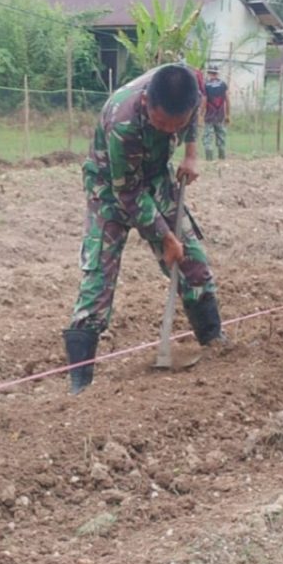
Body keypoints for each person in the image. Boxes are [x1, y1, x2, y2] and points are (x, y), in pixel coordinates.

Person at [63, 63, 226, 395]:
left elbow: (197, 113)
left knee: (192, 258)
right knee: (99, 276)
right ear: (148, 103)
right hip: (111, 187)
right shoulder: (123, 123)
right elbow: (129, 194)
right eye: (161, 123)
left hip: (155, 177)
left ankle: (214, 341)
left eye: (175, 126)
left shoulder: (191, 87)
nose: (168, 131)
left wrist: (191, 154)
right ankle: (80, 384)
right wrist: (165, 237)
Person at [202, 65, 229, 160]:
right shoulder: (223, 84)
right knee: (221, 136)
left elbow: (204, 100)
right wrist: (228, 115)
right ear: (217, 73)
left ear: (209, 73)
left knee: (208, 138)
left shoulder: (206, 85)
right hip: (220, 116)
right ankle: (222, 157)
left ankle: (209, 159)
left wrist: (201, 114)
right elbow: (227, 100)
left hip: (209, 116)